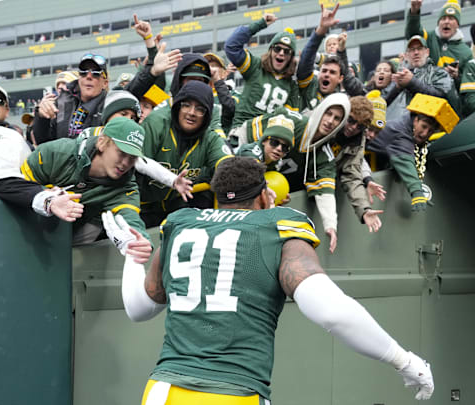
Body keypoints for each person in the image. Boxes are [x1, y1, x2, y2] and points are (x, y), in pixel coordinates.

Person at [116, 156, 435, 404]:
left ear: (216, 196)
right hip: (234, 393)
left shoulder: (181, 224)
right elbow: (332, 312)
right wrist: (403, 360)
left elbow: (138, 309)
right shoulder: (279, 225)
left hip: (163, 391)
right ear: (264, 196)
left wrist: (131, 256)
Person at [13, 117, 152, 252]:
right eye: (121, 153)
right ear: (102, 143)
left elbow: (129, 219)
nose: (125, 164)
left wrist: (139, 241)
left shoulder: (125, 186)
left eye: (132, 158)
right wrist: (46, 194)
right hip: (26, 228)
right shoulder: (54, 154)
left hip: (73, 238)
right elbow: (17, 188)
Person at [237, 93, 351, 253]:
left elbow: (324, 193)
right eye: (328, 113)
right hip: (245, 167)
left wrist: (330, 225)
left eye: (337, 118)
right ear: (320, 111)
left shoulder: (324, 155)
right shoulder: (291, 121)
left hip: (267, 186)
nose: (330, 121)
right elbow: (248, 137)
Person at [138, 81, 233, 228]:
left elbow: (230, 167)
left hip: (176, 206)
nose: (192, 113)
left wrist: (257, 186)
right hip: (142, 207)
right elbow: (136, 163)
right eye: (186, 105)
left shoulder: (209, 138)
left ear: (207, 115)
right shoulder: (156, 124)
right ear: (177, 106)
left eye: (200, 109)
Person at [368, 94, 458, 212]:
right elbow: (404, 159)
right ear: (415, 120)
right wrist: (417, 192)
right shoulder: (401, 132)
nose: (425, 133)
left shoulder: (408, 128)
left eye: (430, 131)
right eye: (424, 126)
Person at [225, 13, 300, 130]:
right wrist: (259, 24)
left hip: (270, 139)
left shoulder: (292, 84)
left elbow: (290, 120)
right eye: (277, 48)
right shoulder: (255, 66)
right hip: (242, 131)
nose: (281, 53)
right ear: (270, 50)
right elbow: (231, 46)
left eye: (287, 51)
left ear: (291, 57)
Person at [330, 94, 386, 233]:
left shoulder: (358, 139)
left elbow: (352, 174)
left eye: (360, 126)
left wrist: (364, 209)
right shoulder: (327, 121)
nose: (353, 127)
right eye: (351, 120)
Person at [296, 4, 365, 112]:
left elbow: (353, 85)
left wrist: (341, 51)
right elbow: (307, 59)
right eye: (324, 71)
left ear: (340, 78)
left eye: (332, 72)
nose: (327, 74)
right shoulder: (309, 86)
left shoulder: (343, 101)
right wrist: (322, 29)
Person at [33, 53, 110, 144]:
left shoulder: (110, 107)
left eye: (96, 73)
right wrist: (42, 117)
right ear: (79, 78)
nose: (89, 76)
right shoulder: (62, 102)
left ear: (105, 83)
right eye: (83, 72)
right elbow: (43, 142)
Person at [386, 36, 457, 121]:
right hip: (400, 128)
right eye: (412, 50)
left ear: (427, 52)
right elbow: (385, 102)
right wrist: (397, 87)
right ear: (407, 55)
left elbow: (441, 96)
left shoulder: (439, 73)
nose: (416, 53)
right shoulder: (399, 74)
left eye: (419, 49)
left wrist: (411, 82)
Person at [406, 0, 473, 80]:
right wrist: (414, 12)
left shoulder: (466, 52)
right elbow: (413, 33)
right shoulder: (429, 37)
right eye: (443, 18)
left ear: (458, 24)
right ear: (438, 23)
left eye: (451, 19)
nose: (446, 22)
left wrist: (456, 76)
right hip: (423, 89)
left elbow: (468, 82)